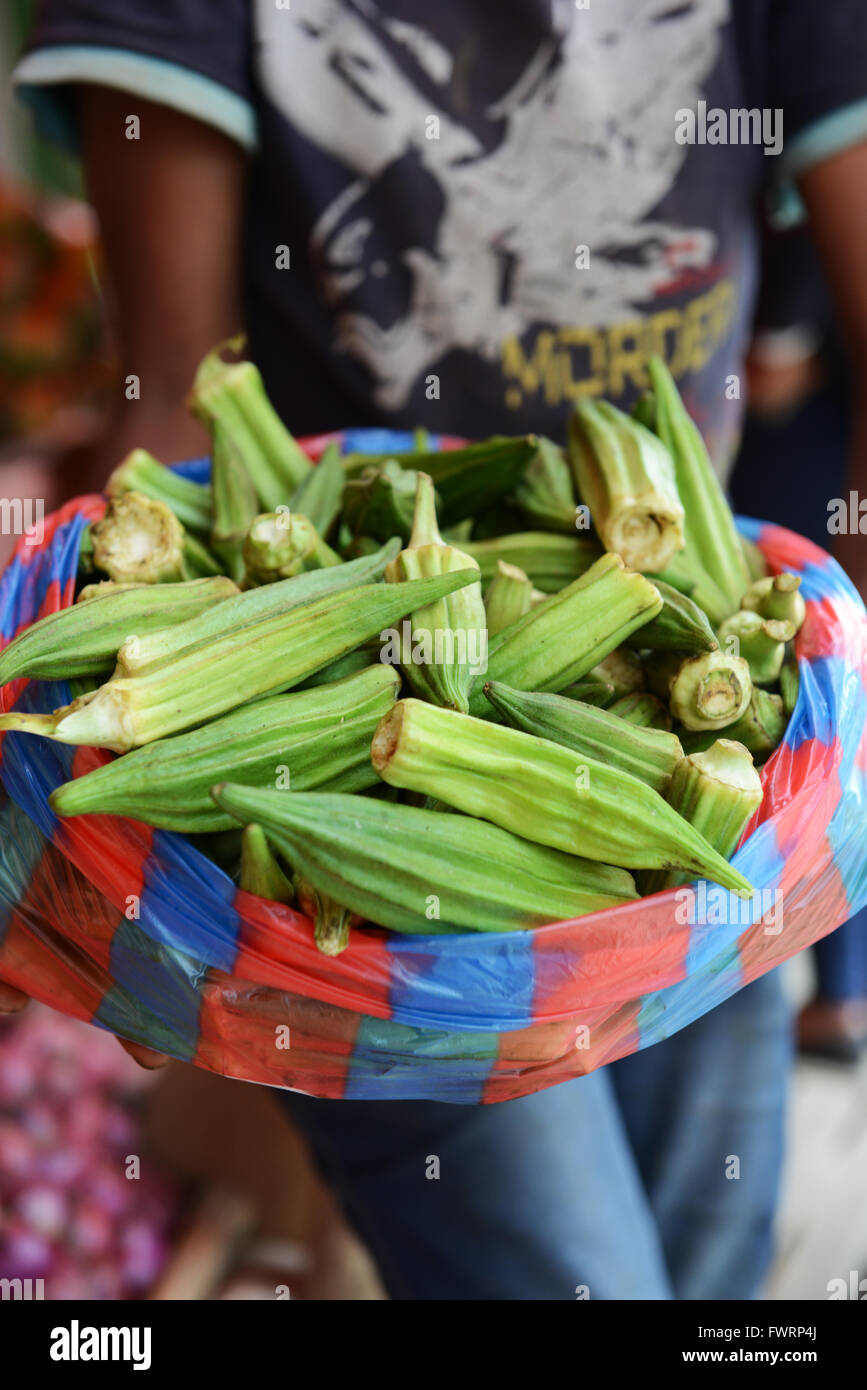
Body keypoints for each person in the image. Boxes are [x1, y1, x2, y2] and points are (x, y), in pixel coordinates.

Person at [3, 0, 867, 1299]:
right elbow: (180, 386)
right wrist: (141, 896)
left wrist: (834, 725)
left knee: (706, 1264)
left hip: (706, 722)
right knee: (567, 1276)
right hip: (354, 833)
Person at [731, 222, 867, 1063]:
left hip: (806, 486)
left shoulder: (811, 210)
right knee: (843, 747)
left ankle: (835, 989)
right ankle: (847, 993)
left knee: (812, 738)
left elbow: (771, 377)